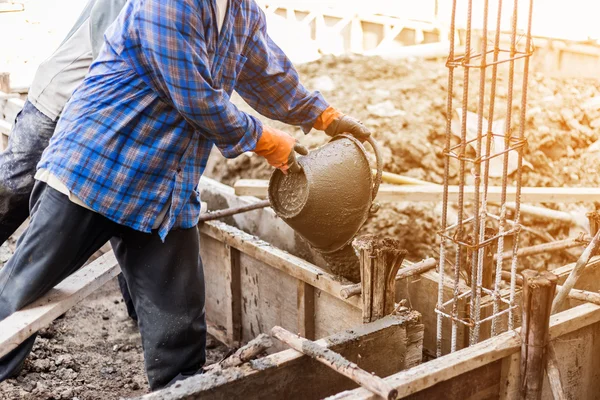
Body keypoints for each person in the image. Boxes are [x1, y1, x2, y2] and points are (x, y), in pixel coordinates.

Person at [0, 0, 371, 390]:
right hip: (94, 170)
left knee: (179, 331)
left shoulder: (241, 10)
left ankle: (182, 390)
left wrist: (322, 114)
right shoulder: (167, 5)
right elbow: (196, 98)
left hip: (163, 189)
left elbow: (266, 72)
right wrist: (264, 141)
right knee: (20, 297)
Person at [0, 0, 137, 321]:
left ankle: (137, 313)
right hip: (58, 103)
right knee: (12, 191)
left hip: (105, 126)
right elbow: (120, 56)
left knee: (124, 213)